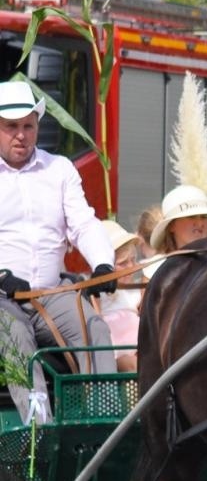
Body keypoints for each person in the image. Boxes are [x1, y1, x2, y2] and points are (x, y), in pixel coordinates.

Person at [0, 81, 117, 424]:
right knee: (15, 337)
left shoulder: (60, 169)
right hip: (2, 299)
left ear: (37, 126)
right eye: (10, 127)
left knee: (95, 327)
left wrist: (103, 265)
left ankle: (104, 428)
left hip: (52, 293)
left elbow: (83, 223)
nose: (20, 135)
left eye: (27, 126)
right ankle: (40, 433)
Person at [97, 219, 143, 372]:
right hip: (115, 352)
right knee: (134, 366)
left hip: (141, 347)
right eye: (123, 263)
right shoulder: (97, 294)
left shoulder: (133, 291)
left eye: (133, 260)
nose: (130, 267)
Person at [148, 184, 207, 254]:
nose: (200, 223)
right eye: (191, 216)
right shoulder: (154, 271)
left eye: (204, 217)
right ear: (171, 225)